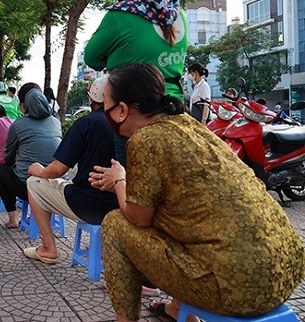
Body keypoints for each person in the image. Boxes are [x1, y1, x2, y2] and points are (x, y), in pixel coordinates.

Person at [89, 63, 305, 322]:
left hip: (239, 289)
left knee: (115, 223)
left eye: (106, 107)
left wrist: (119, 181)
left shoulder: (145, 140)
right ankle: (178, 309)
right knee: (179, 215)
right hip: (286, 272)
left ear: (122, 110)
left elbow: (138, 218)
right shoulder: (192, 126)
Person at [83, 0, 187, 165]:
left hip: (134, 114)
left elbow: (91, 57)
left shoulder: (121, 16)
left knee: (131, 188)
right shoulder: (179, 15)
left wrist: (112, 58)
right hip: (176, 109)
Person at [23, 76, 117, 263]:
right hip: (121, 205)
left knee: (33, 183)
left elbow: (57, 169)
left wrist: (39, 170)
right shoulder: (130, 124)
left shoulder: (85, 124)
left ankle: (48, 248)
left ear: (92, 99)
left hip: (86, 204)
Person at [0, 83, 61, 228]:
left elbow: (8, 157)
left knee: (1, 168)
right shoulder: (56, 122)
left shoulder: (18, 124)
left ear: (22, 105)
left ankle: (13, 218)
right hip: (56, 186)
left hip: (29, 188)